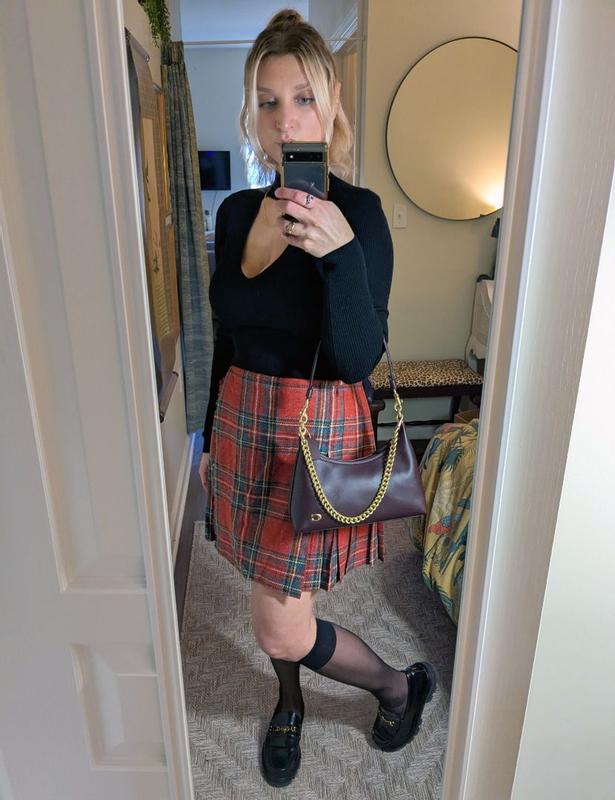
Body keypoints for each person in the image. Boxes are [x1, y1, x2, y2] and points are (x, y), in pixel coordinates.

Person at [198, 9, 437, 788]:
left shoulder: (358, 213)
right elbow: (228, 335)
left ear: (329, 106)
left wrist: (337, 256)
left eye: (302, 99)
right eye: (267, 102)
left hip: (319, 423)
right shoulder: (238, 212)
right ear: (251, 115)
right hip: (242, 419)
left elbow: (358, 358)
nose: (284, 119)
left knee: (279, 622)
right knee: (272, 597)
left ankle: (397, 687)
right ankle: (290, 701)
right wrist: (207, 443)